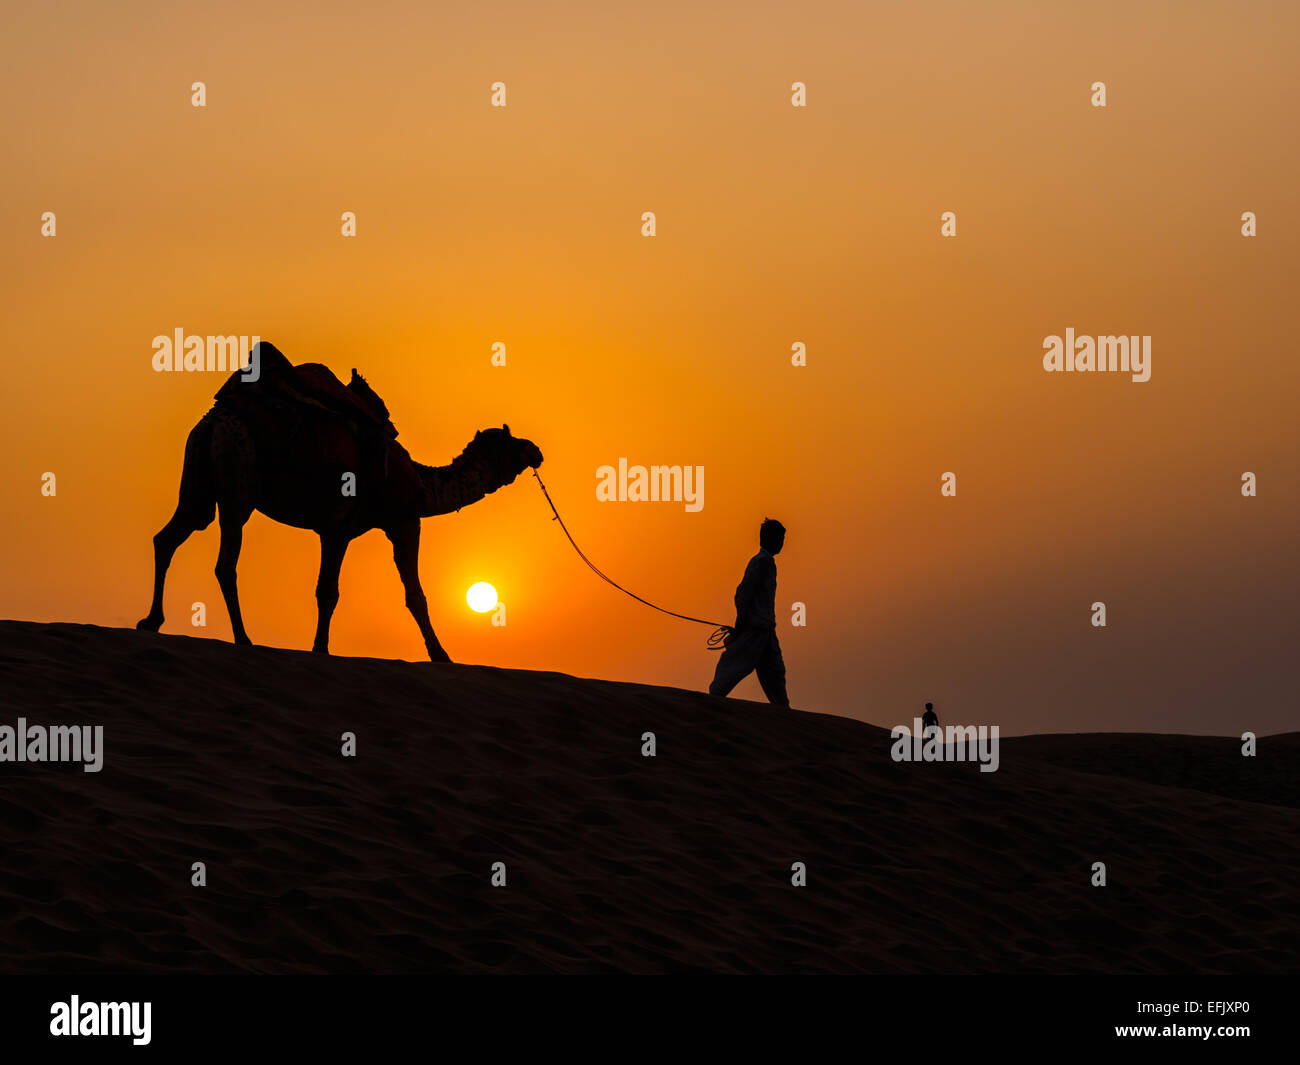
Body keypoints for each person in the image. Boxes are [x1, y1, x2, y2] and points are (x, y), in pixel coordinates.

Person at [708, 519, 789, 707]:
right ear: (769, 538)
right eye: (780, 538)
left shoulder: (766, 562)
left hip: (765, 631)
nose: (782, 542)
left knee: (775, 672)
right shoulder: (762, 562)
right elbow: (743, 593)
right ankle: (712, 702)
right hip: (755, 629)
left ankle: (784, 712)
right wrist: (741, 623)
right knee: (733, 665)